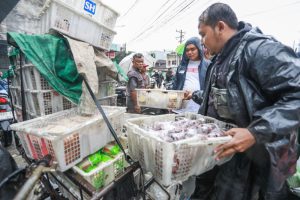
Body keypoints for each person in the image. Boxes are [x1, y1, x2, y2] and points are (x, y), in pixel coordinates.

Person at [192, 3, 300, 200]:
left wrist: (254, 132)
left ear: (220, 27)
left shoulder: (261, 50)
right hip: (222, 159)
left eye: (203, 34)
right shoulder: (219, 60)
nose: (202, 42)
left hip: (254, 165)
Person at [172, 37, 210, 112]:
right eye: (187, 50)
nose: (189, 52)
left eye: (193, 49)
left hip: (199, 105)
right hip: (182, 105)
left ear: (199, 49)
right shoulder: (181, 67)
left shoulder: (208, 65)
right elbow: (175, 85)